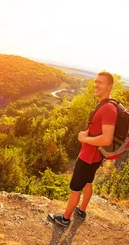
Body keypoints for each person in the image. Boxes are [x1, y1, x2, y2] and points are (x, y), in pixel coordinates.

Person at [48, 71, 117, 227]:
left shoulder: (107, 109)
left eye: (100, 82)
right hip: (95, 156)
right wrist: (87, 133)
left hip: (88, 156)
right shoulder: (107, 105)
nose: (96, 85)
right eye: (96, 81)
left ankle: (64, 219)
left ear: (110, 87)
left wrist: (84, 138)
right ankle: (82, 210)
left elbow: (107, 138)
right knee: (88, 182)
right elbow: (98, 130)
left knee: (75, 188)